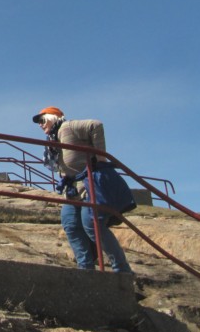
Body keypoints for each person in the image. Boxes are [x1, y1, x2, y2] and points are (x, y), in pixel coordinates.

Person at [33, 106, 132, 273]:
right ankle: (85, 269)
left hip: (88, 185)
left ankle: (122, 269)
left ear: (53, 117)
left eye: (42, 120)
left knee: (91, 224)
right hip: (72, 189)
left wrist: (100, 157)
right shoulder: (54, 139)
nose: (40, 125)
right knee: (70, 223)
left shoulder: (68, 127)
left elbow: (95, 125)